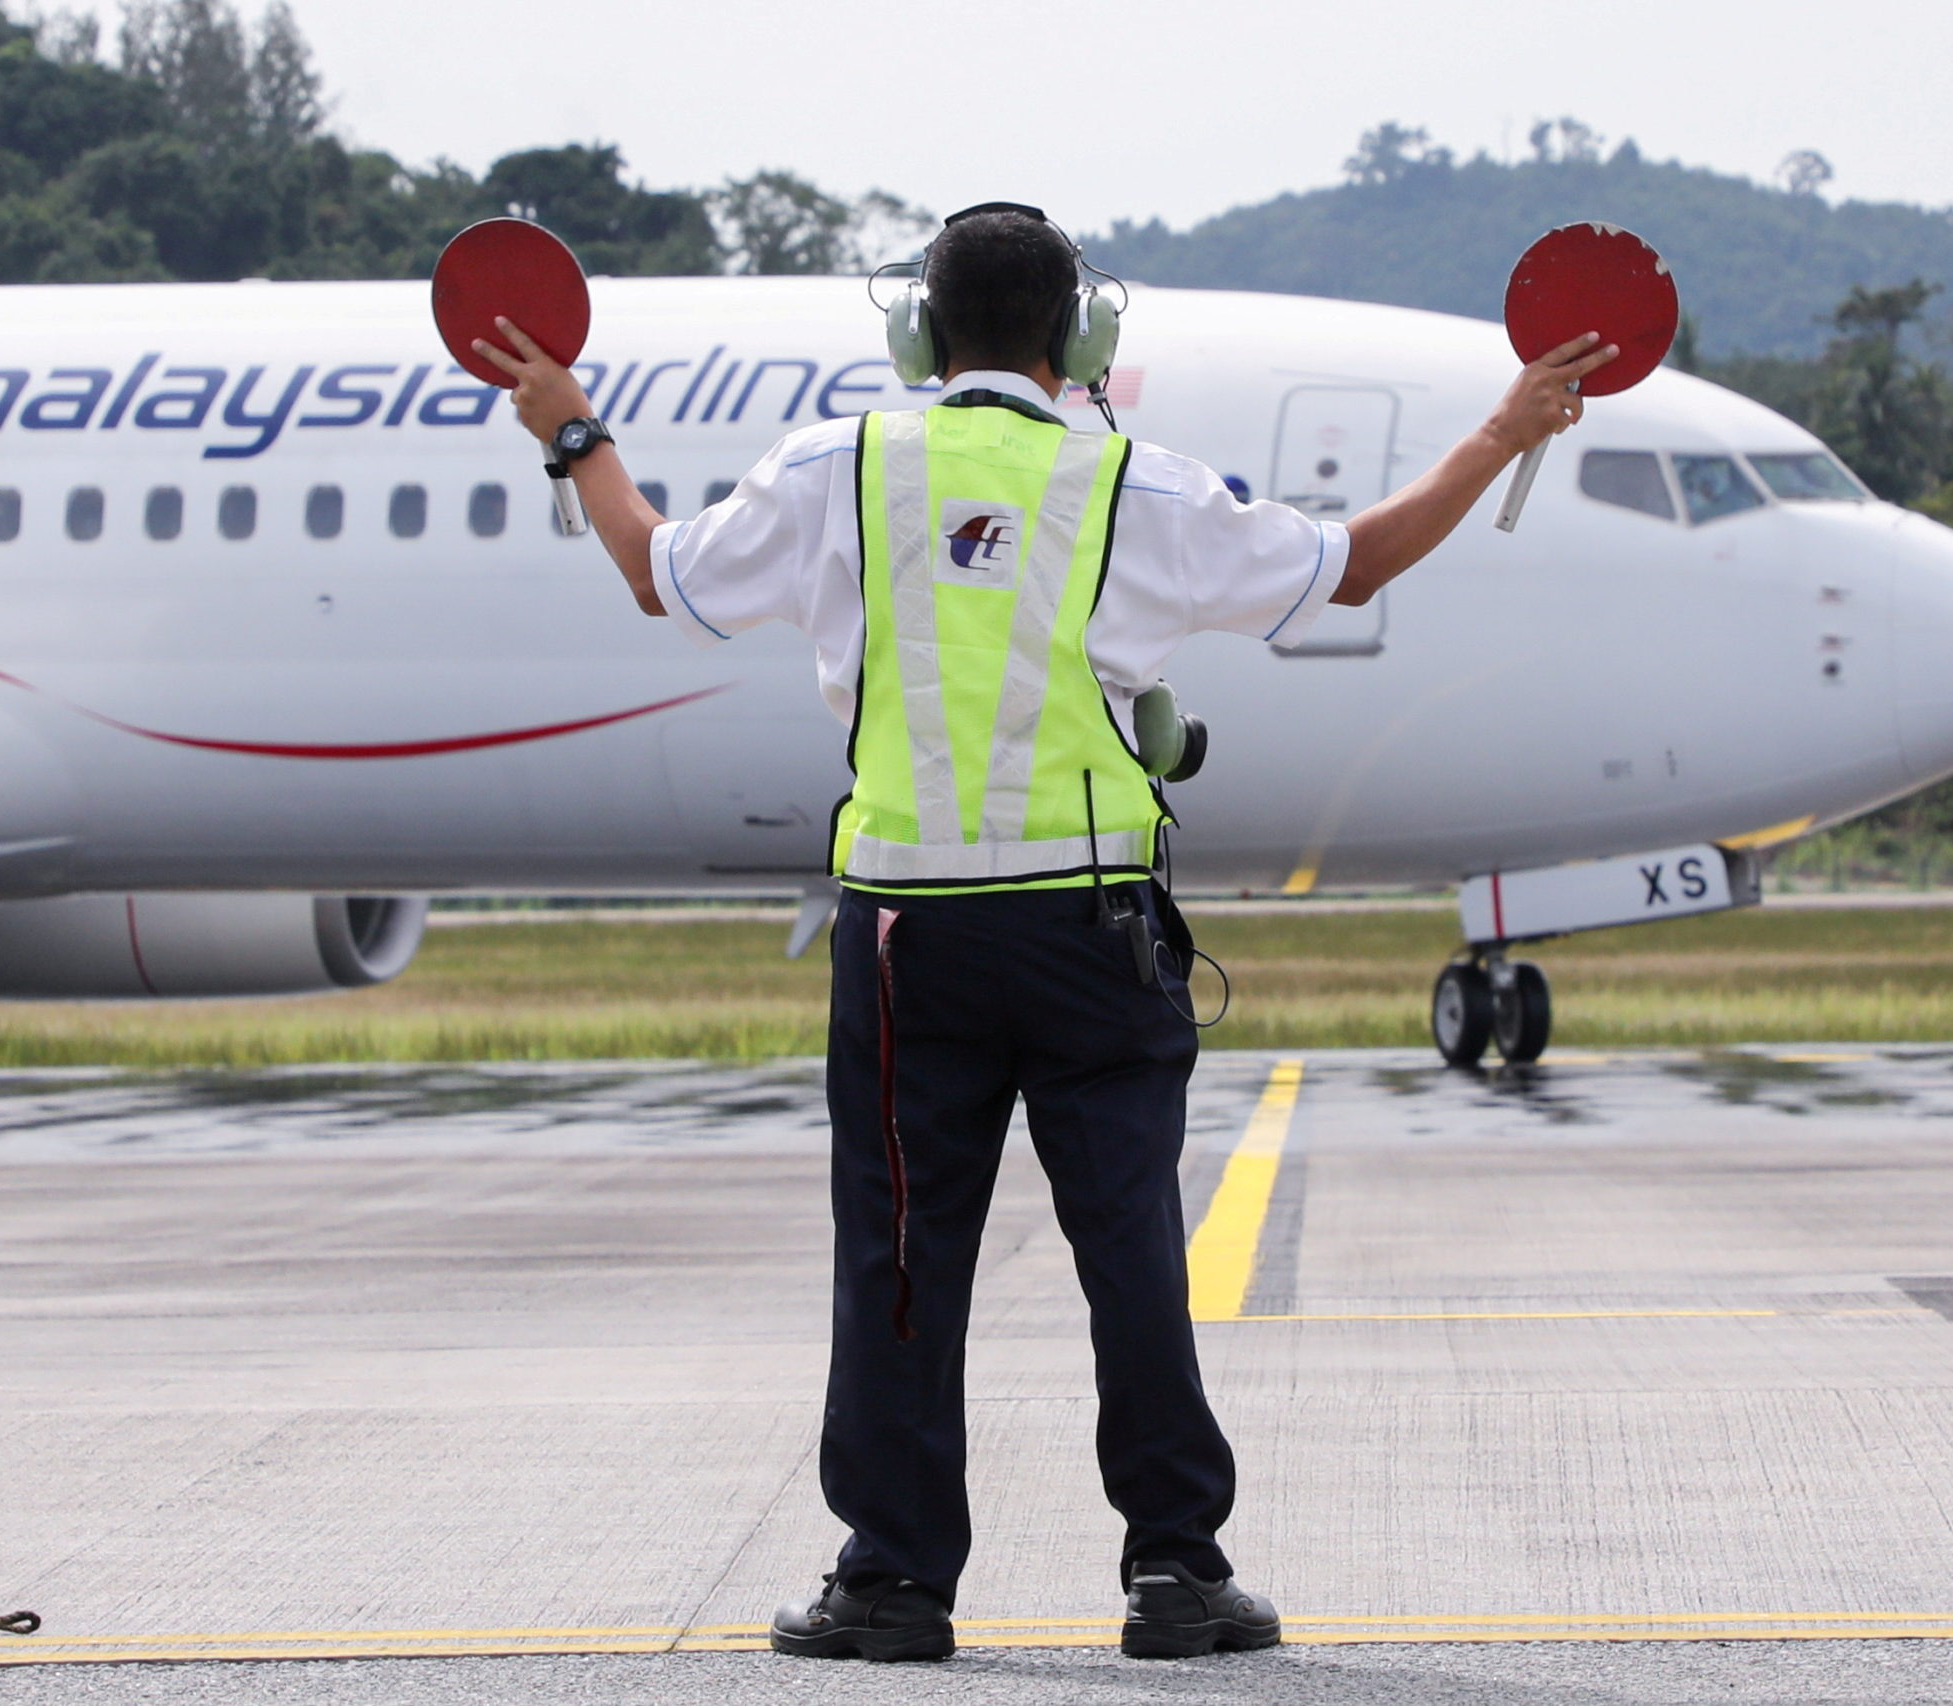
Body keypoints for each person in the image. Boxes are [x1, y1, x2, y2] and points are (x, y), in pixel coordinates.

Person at [476, 203, 1612, 1663]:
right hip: (1089, 932)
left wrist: (574, 434)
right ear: (1083, 337)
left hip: (906, 937)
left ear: (918, 334)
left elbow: (661, 571)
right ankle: (1177, 1572)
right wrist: (1508, 426)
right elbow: (1361, 561)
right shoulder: (1134, 484)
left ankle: (891, 1581)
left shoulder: (841, 469)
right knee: (1132, 1244)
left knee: (897, 1249)